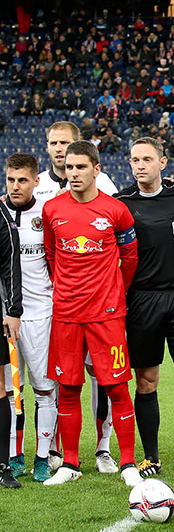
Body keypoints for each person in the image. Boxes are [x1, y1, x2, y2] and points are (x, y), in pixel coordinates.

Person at [41, 141, 141, 487]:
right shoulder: (52, 209)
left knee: (117, 387)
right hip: (66, 314)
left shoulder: (116, 210)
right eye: (69, 168)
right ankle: (70, 463)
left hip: (106, 315)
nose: (74, 174)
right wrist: (68, 289)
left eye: (81, 167)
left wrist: (113, 293)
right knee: (68, 388)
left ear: (96, 169)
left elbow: (130, 258)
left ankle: (127, 462)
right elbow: (52, 255)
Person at [116, 138, 174, 481]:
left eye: (147, 159)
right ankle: (150, 456)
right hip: (141, 299)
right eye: (135, 160)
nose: (140, 165)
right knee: (146, 380)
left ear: (163, 162)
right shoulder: (122, 202)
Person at [34, 121, 118, 474]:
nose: (58, 149)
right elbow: (48, 249)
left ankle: (103, 447)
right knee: (56, 378)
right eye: (53, 143)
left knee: (101, 375)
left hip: (96, 303)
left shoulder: (104, 185)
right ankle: (55, 448)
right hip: (52, 301)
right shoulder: (37, 185)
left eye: (64, 143)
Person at [4, 154, 56, 483]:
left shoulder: (47, 214)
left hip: (40, 314)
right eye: (10, 179)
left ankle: (43, 457)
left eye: (22, 180)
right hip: (6, 316)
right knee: (11, 391)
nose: (15, 186)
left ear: (36, 181)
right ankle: (14, 456)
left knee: (44, 389)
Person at [0, 171, 22, 489]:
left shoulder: (1, 215)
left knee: (0, 387)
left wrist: (13, 310)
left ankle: (2, 464)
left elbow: (10, 265)